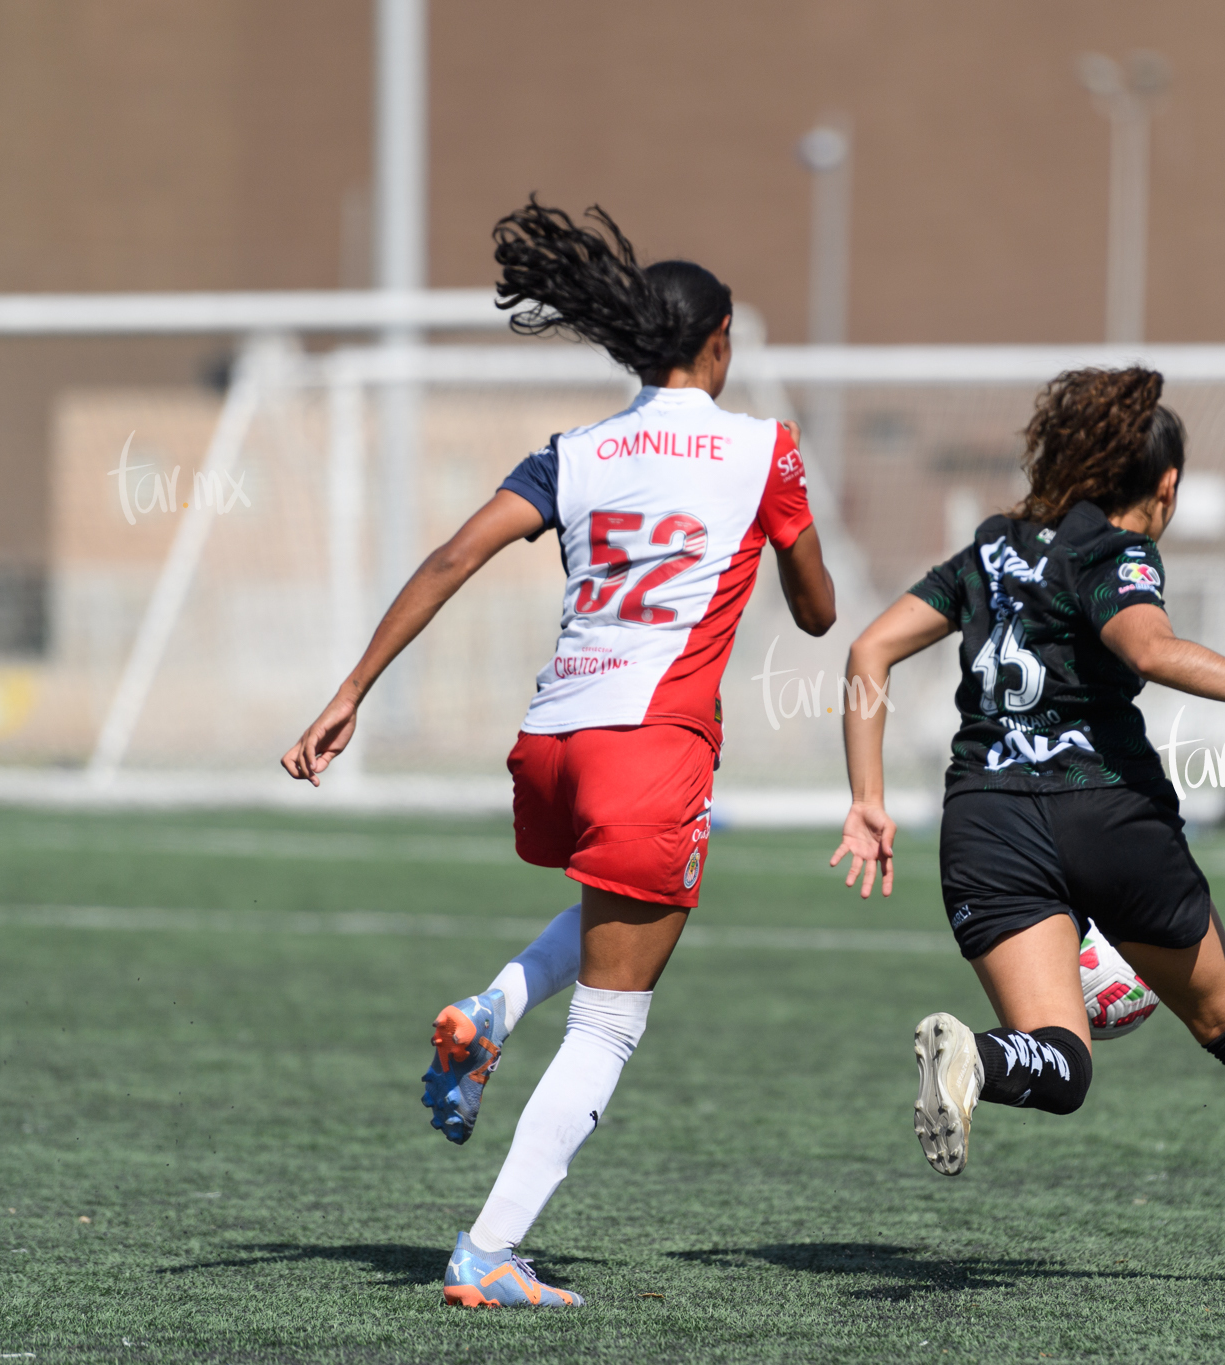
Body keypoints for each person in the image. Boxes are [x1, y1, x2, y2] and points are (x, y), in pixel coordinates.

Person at [282, 199, 835, 1308]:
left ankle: (490, 1010)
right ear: (719, 341)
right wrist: (785, 545)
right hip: (651, 741)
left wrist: (349, 692)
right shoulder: (762, 448)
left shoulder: (572, 453)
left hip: (553, 740)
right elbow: (817, 613)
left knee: (615, 902)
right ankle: (487, 1251)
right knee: (611, 1021)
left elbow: (448, 557)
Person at [830, 366, 1225, 1280]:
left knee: (1061, 1064)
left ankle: (983, 1064)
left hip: (985, 821)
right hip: (1108, 812)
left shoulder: (992, 547)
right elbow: (1151, 649)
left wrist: (867, 797)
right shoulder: (1117, 546)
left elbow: (869, 648)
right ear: (1166, 487)